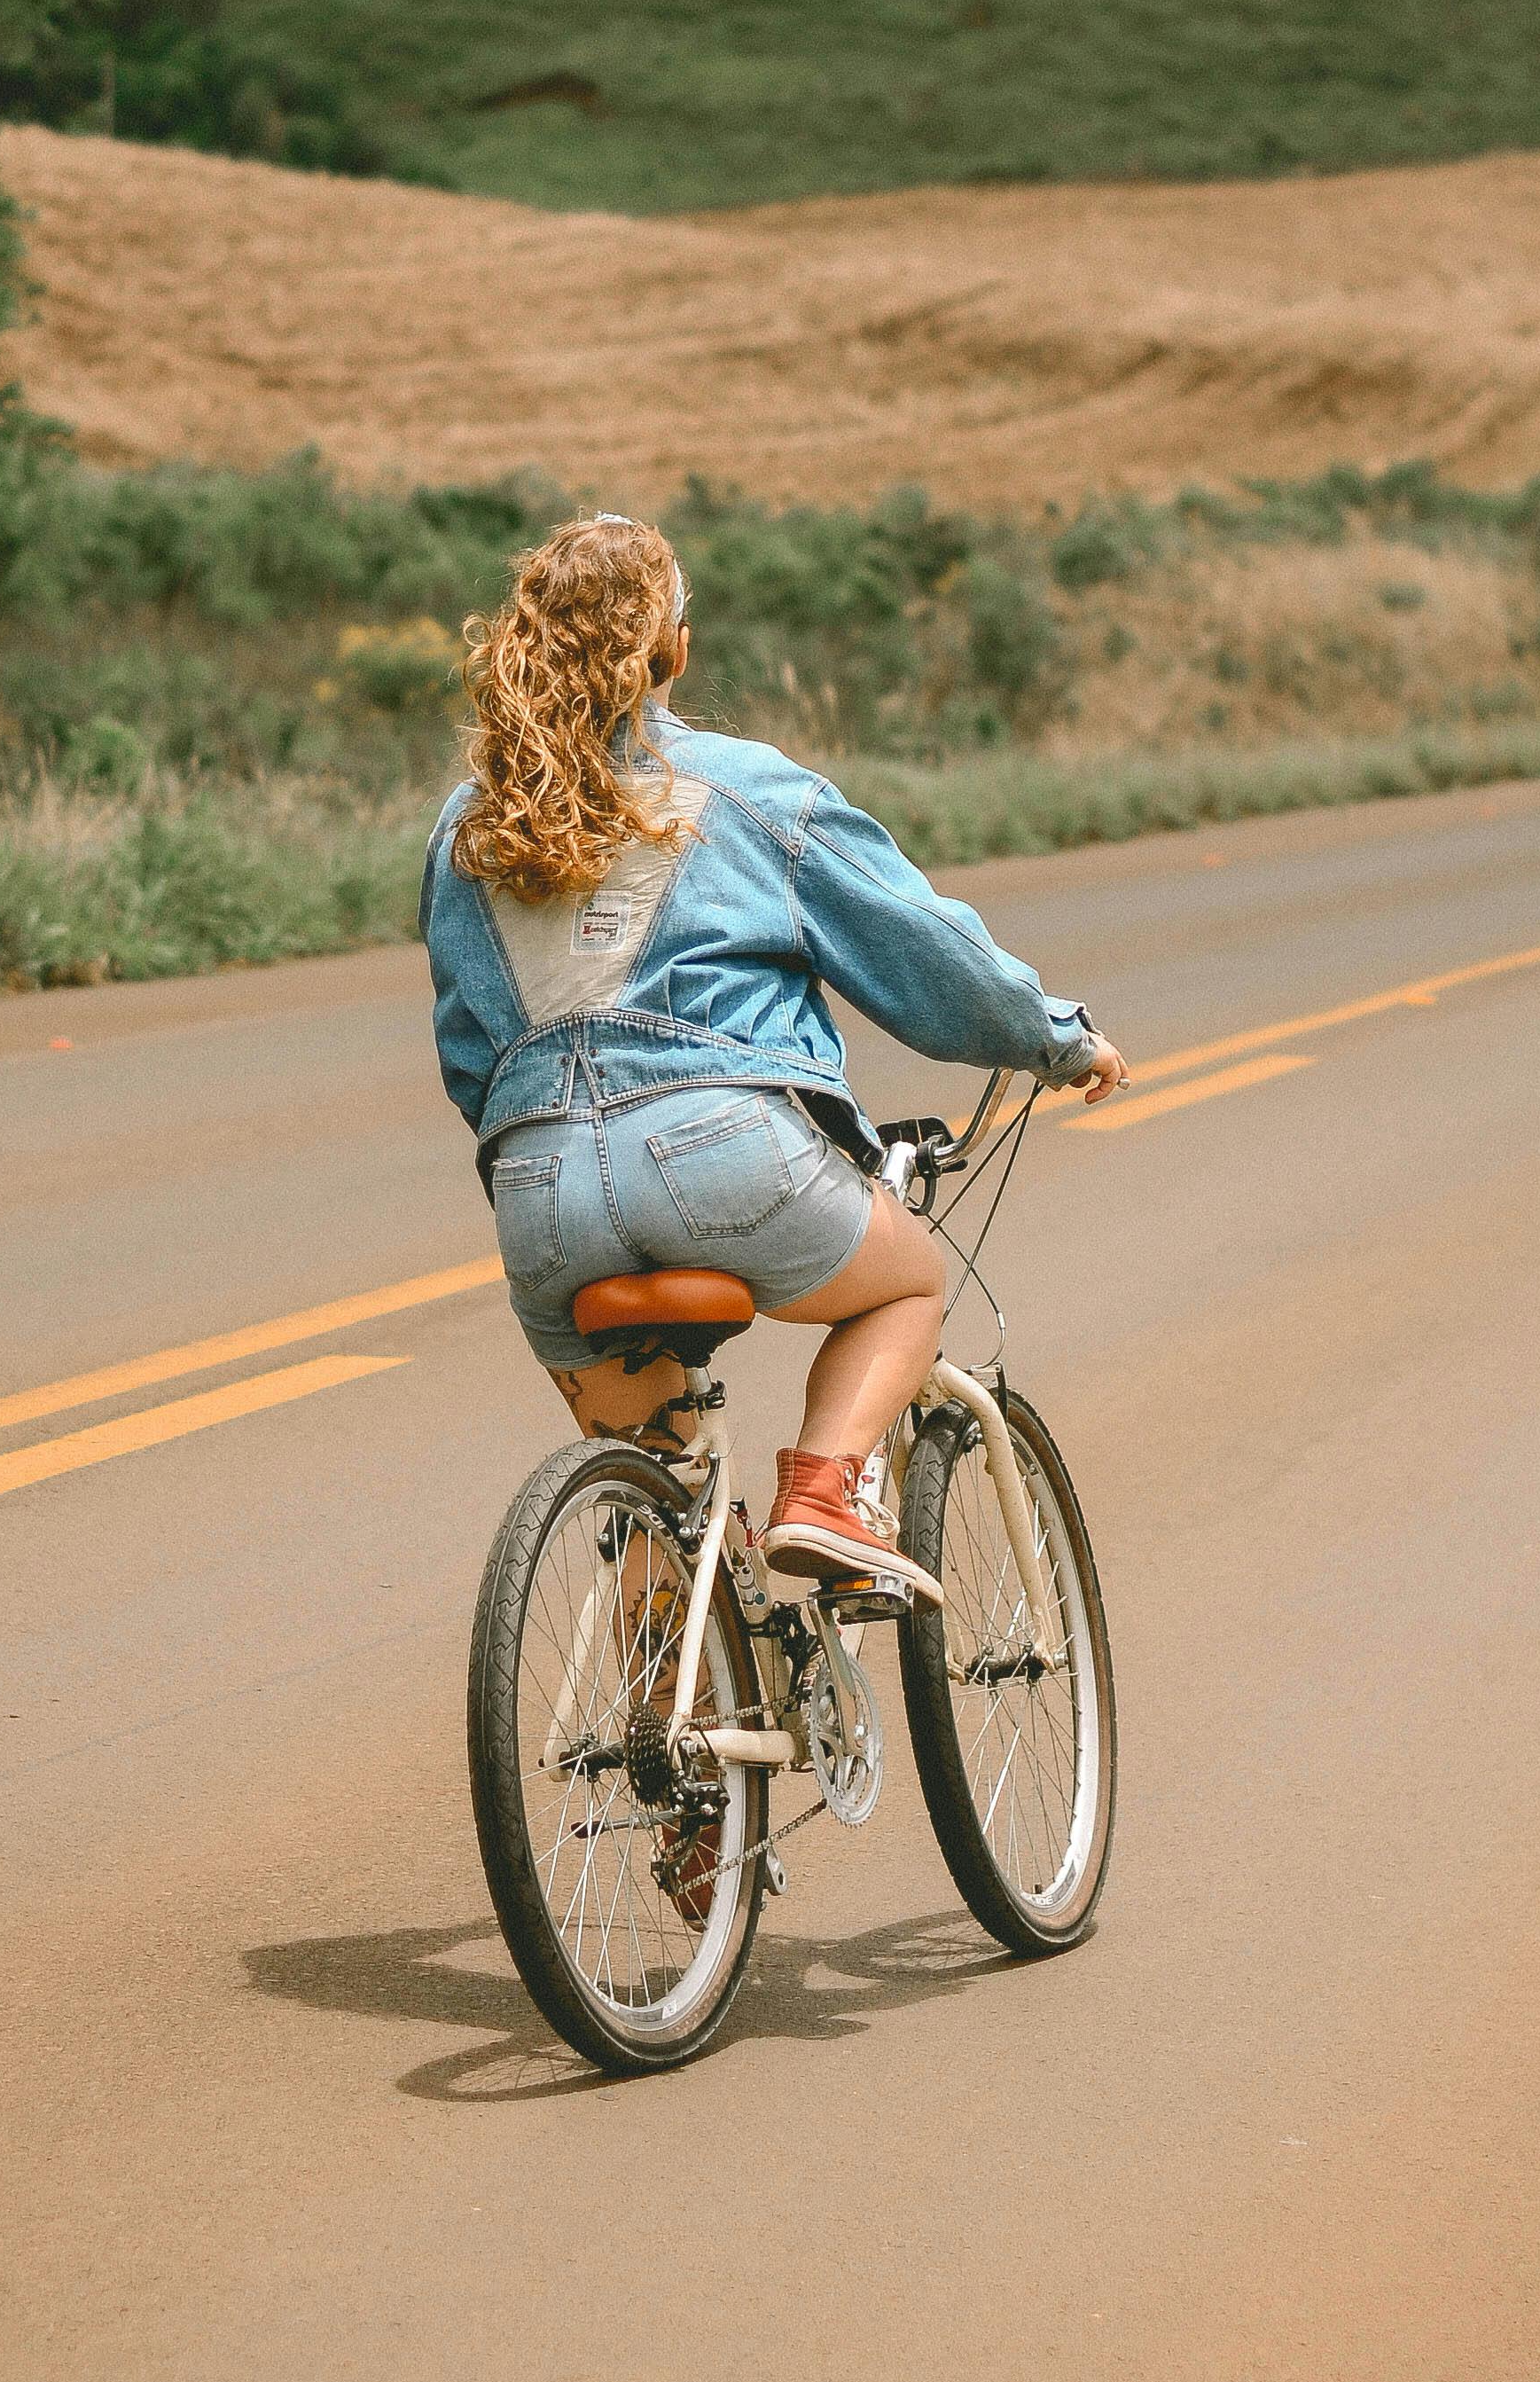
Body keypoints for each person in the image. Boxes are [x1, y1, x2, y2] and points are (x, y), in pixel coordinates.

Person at [419, 511, 1130, 1592]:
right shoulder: (749, 787)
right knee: (908, 1286)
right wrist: (1054, 1038)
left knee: (658, 1496)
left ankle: (668, 1728)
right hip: (721, 1153)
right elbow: (924, 950)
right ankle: (825, 1490)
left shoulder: (468, 826)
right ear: (674, 649)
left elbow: (469, 1054)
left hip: (540, 1188)